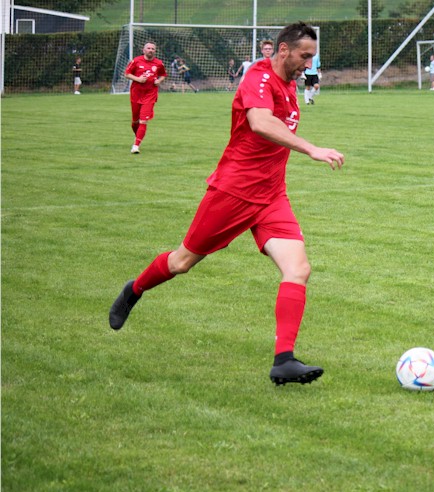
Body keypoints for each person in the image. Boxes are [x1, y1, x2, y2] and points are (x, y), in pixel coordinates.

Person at [108, 22, 345, 387]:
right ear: (283, 50)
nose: (308, 63)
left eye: (312, 56)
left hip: (271, 196)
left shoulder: (290, 85)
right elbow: (261, 122)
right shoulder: (259, 78)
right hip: (233, 192)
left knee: (298, 268)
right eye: (304, 56)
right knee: (182, 261)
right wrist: (312, 148)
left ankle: (284, 360)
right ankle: (134, 289)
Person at [124, 42, 167, 154]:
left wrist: (159, 81)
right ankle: (138, 136)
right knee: (135, 121)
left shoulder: (159, 63)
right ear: (144, 50)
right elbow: (127, 74)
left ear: (155, 51)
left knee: (143, 120)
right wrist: (138, 79)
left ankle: (136, 146)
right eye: (148, 48)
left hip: (150, 95)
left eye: (153, 48)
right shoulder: (136, 61)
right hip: (136, 94)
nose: (150, 50)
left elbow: (163, 75)